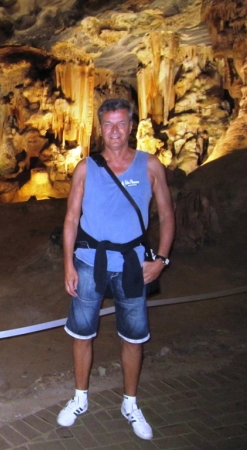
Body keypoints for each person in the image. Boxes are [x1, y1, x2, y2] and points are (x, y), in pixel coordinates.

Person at [57, 98, 175, 440]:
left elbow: (167, 215)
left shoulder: (150, 166)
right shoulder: (85, 168)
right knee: (82, 332)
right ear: (100, 128)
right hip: (90, 261)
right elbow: (70, 218)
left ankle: (130, 403)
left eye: (121, 123)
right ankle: (80, 398)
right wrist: (68, 263)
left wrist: (162, 259)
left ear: (131, 126)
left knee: (134, 336)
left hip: (134, 264)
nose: (114, 131)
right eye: (108, 124)